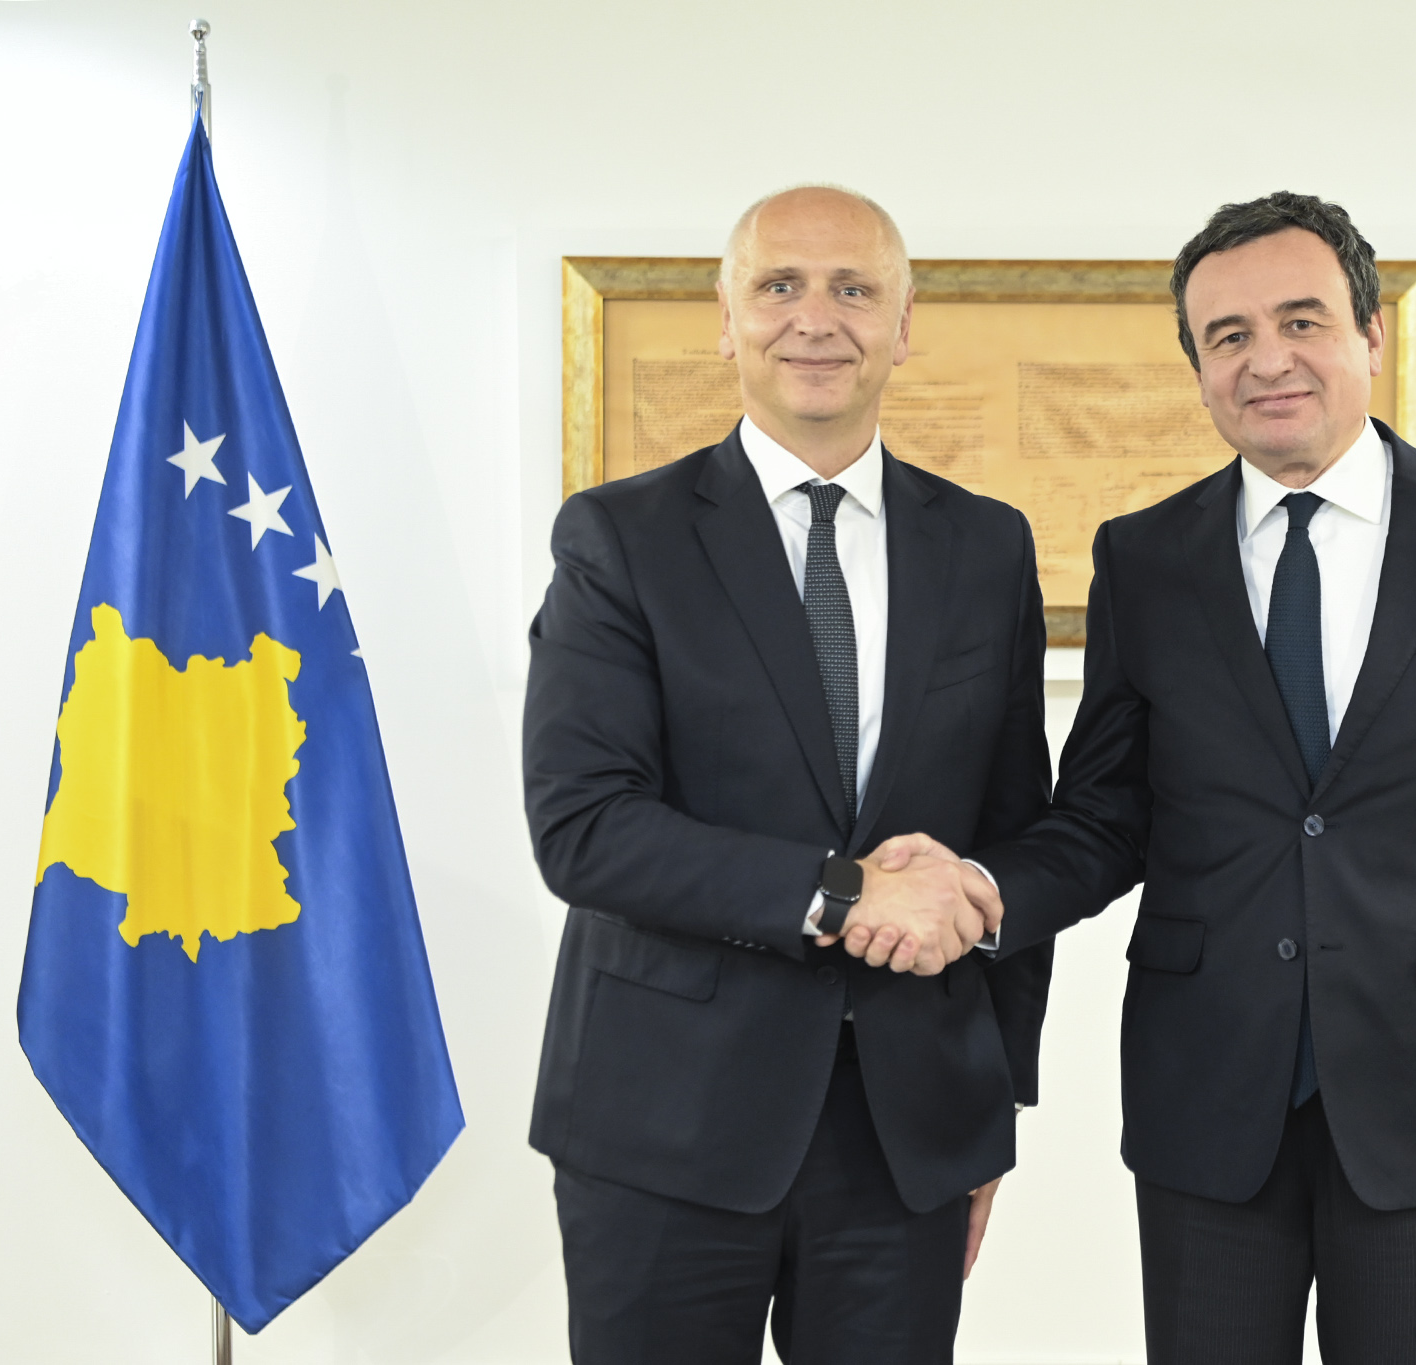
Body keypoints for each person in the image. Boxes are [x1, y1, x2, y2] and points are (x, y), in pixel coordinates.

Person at [866, 192, 1416, 1365]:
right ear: (1199, 370)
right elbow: (1106, 817)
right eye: (1227, 336)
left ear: (1368, 334)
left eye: (1299, 320)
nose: (1266, 359)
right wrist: (979, 885)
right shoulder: (1143, 557)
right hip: (1205, 1092)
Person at [522, 185, 1054, 1365]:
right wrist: (843, 892)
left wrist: (990, 1108)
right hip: (662, 1126)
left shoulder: (985, 545)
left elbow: (1010, 836)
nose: (815, 318)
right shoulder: (619, 538)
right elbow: (585, 828)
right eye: (778, 286)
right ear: (727, 322)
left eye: (853, 288)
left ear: (902, 326)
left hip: (903, 1136)